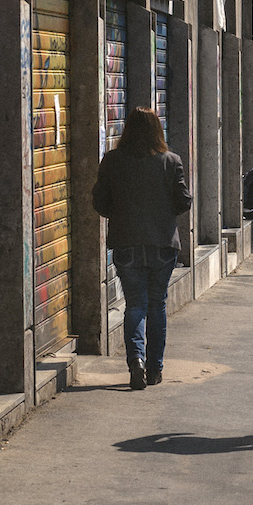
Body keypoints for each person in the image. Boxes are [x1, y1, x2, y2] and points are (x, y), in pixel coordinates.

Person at [91, 106, 193, 391]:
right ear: (157, 130)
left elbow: (99, 202)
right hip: (162, 243)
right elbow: (184, 201)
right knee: (157, 304)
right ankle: (154, 368)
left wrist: (120, 212)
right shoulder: (171, 161)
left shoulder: (112, 160)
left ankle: (135, 360)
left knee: (135, 304)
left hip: (126, 242)